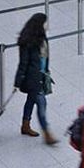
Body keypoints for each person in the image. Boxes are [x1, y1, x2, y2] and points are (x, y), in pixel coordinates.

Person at [15, 13, 57, 145]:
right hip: (33, 78)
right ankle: (47, 133)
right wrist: (18, 81)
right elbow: (23, 63)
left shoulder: (42, 38)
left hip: (42, 75)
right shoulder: (28, 43)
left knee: (31, 100)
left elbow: (45, 57)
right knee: (41, 103)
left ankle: (25, 125)